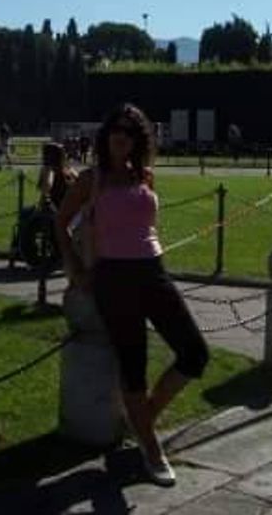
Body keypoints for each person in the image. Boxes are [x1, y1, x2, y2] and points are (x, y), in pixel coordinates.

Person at [55, 103, 208, 487]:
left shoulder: (146, 176)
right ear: (106, 137)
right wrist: (75, 268)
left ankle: (143, 421)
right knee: (133, 362)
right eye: (115, 130)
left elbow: (146, 226)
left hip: (153, 269)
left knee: (194, 352)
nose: (121, 136)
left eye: (129, 131)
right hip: (113, 275)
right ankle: (151, 448)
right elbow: (60, 221)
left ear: (139, 140)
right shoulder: (92, 179)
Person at [37, 142, 77, 212]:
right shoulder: (65, 169)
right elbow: (46, 188)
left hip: (64, 205)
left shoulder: (65, 169)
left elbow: (46, 187)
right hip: (65, 206)